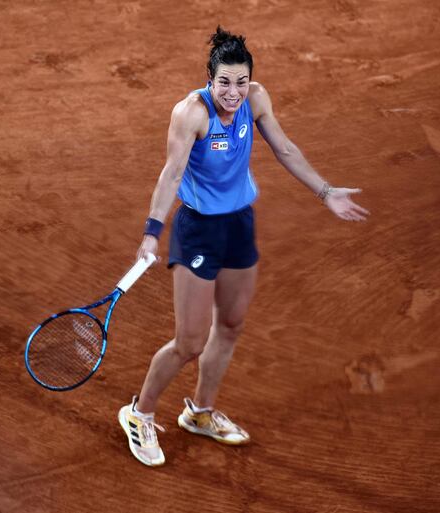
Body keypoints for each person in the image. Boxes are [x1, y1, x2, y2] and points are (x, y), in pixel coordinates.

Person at [118, 26, 370, 467]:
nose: (233, 92)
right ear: (209, 79)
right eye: (224, 82)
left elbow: (286, 149)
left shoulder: (256, 98)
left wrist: (326, 192)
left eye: (241, 81)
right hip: (197, 230)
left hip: (239, 224)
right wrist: (152, 231)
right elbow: (171, 174)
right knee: (189, 341)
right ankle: (139, 413)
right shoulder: (190, 114)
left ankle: (199, 413)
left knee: (231, 325)